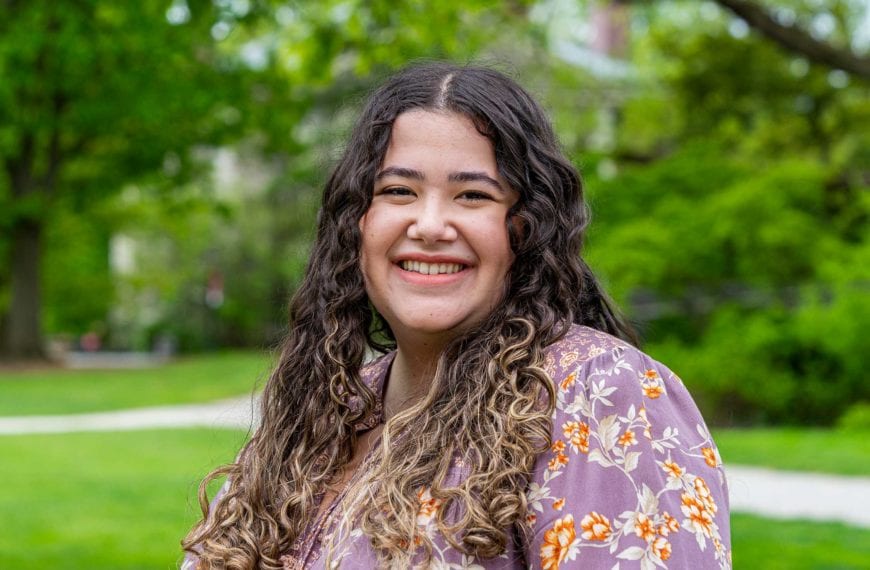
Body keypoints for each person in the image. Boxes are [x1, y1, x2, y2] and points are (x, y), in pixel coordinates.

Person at [182, 62, 731, 570]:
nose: (429, 224)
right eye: (398, 190)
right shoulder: (323, 415)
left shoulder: (596, 393)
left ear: (527, 227)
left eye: (472, 195)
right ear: (356, 221)